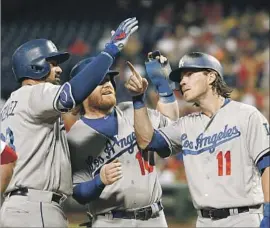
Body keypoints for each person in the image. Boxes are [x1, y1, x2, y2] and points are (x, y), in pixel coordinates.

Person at [0, 17, 138, 227]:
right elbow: (69, 96)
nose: (59, 70)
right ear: (35, 65)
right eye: (52, 64)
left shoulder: (10, 104)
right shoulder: (35, 93)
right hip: (37, 207)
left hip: (15, 207)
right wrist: (110, 51)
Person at [127, 52, 270, 228]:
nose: (182, 82)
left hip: (243, 218)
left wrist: (269, 214)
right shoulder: (186, 125)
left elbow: (267, 165)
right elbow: (146, 141)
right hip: (204, 221)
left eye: (189, 74)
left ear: (211, 76)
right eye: (181, 78)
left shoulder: (247, 115)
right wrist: (138, 99)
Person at [65, 51, 179, 227]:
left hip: (154, 218)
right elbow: (78, 193)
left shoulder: (132, 110)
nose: (107, 84)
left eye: (109, 79)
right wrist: (99, 181)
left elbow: (171, 127)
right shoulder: (75, 137)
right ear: (81, 91)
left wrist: (163, 84)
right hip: (111, 221)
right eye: (99, 81)